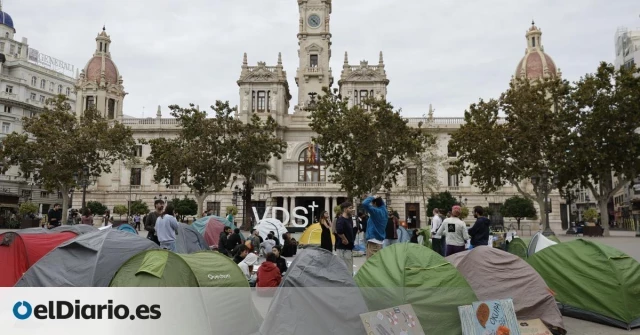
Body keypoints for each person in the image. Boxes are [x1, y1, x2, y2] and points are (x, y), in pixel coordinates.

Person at [335, 201, 355, 275]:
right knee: (345, 270)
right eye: (350, 208)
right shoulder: (341, 220)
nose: (351, 210)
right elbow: (339, 231)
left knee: (349, 269)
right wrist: (344, 239)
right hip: (343, 248)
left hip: (349, 248)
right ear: (345, 209)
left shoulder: (349, 219)